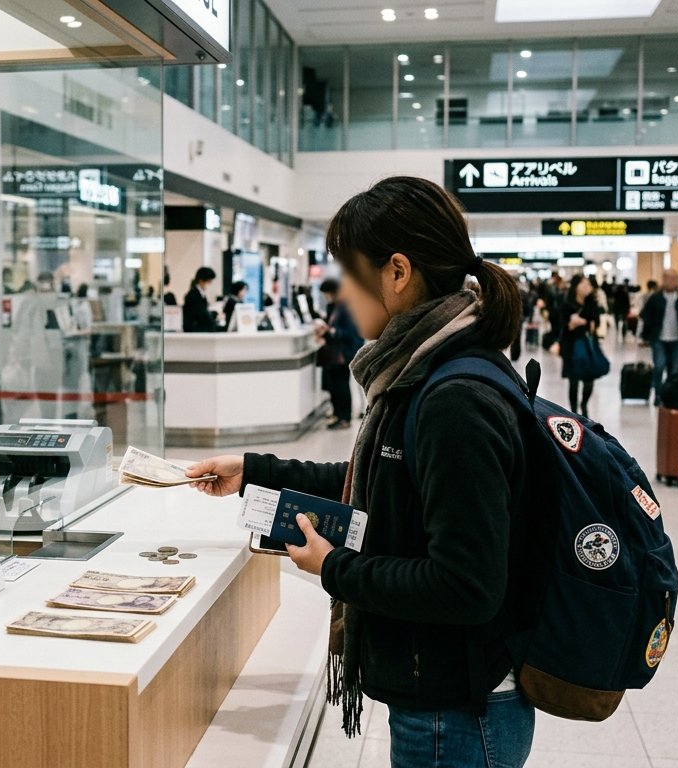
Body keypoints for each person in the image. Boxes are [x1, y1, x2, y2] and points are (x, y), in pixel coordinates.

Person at [185, 176, 534, 768]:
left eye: (350, 273)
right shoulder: (428, 371)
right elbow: (378, 483)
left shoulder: (455, 397)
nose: (342, 293)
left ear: (397, 272)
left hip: (456, 712)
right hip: (444, 699)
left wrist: (335, 568)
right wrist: (253, 470)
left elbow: (467, 587)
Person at [314, 278, 363, 429]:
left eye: (327, 293)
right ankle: (337, 414)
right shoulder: (333, 306)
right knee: (333, 385)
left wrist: (333, 331)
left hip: (343, 353)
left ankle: (345, 417)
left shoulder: (346, 307)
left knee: (342, 385)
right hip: (333, 354)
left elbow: (351, 332)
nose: (326, 297)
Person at [639, 270, 678, 405]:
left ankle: (670, 395)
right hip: (659, 338)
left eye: (674, 279)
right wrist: (645, 336)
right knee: (659, 366)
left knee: (674, 369)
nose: (671, 281)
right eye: (668, 278)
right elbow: (646, 316)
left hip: (677, 339)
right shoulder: (656, 298)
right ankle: (657, 395)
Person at [559, 275, 603, 418]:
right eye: (582, 283)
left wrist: (583, 322)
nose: (586, 286)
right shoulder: (567, 303)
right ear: (576, 286)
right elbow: (561, 325)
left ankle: (584, 404)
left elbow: (596, 323)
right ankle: (573, 410)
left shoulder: (592, 304)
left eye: (587, 284)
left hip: (588, 344)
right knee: (573, 379)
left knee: (589, 379)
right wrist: (571, 324)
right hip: (571, 345)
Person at [182, 266, 218, 332]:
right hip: (196, 330)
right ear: (201, 281)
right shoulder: (193, 295)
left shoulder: (199, 294)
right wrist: (215, 314)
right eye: (209, 281)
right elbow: (202, 314)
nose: (210, 284)